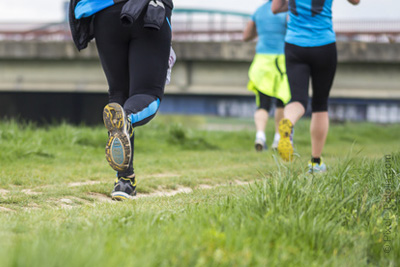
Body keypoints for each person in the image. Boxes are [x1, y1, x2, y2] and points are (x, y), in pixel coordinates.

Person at [69, 0, 174, 200]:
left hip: (105, 14)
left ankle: (125, 181)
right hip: (147, 11)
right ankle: (126, 118)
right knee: (148, 93)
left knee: (119, 94)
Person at [271, 0, 360, 173]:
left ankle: (287, 123)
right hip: (323, 45)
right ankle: (315, 162)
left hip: (294, 45)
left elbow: (275, 8)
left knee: (297, 99)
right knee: (320, 104)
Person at [243, 0, 291, 152]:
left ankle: (260, 136)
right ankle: (278, 138)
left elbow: (246, 36)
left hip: (261, 62)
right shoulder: (287, 10)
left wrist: (263, 30)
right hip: (281, 61)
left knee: (263, 103)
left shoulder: (259, 11)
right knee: (281, 102)